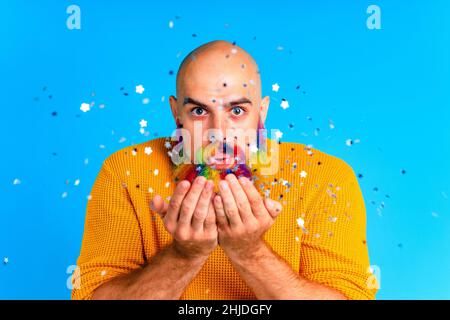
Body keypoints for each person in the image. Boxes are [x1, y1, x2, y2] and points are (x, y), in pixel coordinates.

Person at [71, 40, 378, 300]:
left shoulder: (324, 175)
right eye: (200, 111)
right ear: (176, 114)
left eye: (237, 111)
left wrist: (249, 252)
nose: (218, 132)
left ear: (262, 112)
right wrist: (183, 255)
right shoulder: (126, 170)